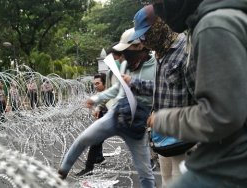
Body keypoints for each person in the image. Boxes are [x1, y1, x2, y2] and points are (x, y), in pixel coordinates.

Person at [146, 0, 247, 187]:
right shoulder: (208, 23)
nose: (160, 11)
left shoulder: (213, 26)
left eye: (158, 2)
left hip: (233, 154)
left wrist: (163, 120)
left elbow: (221, 114)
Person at [58, 28, 155, 188]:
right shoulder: (126, 65)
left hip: (136, 124)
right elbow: (116, 89)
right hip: (115, 115)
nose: (123, 55)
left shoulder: (155, 66)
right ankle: (62, 172)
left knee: (145, 173)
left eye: (126, 50)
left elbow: (161, 89)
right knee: (83, 139)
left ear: (139, 46)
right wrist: (96, 99)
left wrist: (135, 83)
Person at [124, 5, 196, 187]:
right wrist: (134, 83)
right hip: (163, 140)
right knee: (165, 182)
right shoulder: (160, 53)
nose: (143, 41)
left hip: (184, 141)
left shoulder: (185, 51)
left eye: (145, 34)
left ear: (160, 25)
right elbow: (162, 88)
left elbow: (202, 101)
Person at [75, 73, 108, 177]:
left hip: (115, 120)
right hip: (106, 118)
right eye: (94, 84)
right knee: (97, 141)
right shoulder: (102, 94)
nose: (95, 86)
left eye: (97, 83)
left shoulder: (110, 93)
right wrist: (96, 108)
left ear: (105, 83)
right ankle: (99, 158)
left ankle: (89, 168)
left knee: (95, 142)